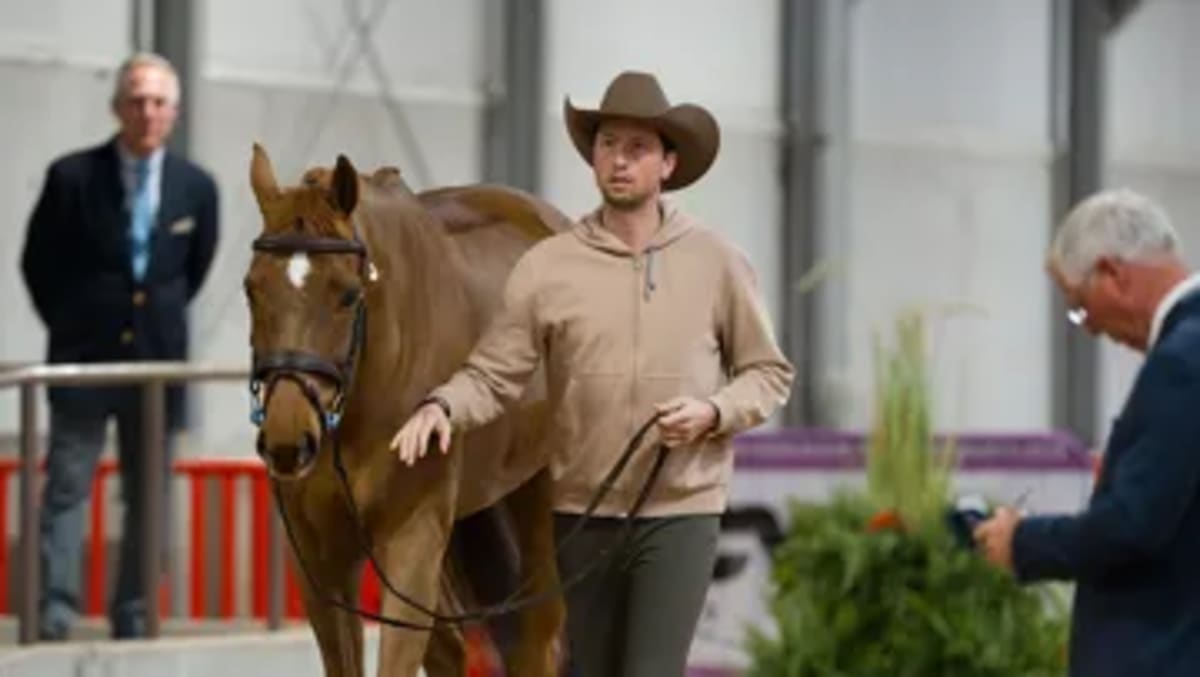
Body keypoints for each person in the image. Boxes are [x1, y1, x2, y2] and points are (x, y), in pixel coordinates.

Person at [390, 70, 793, 676]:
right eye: (608, 145)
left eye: (638, 149)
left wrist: (714, 412)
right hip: (580, 511)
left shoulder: (717, 262)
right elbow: (495, 372)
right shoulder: (548, 266)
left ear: (667, 164)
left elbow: (767, 373)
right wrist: (442, 406)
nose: (620, 161)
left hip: (680, 512)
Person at [19, 52, 220, 640]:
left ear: (174, 113)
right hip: (81, 359)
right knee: (67, 488)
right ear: (116, 107)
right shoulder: (71, 177)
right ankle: (54, 611)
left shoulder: (197, 187)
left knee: (149, 494)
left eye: (158, 101)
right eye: (136, 99)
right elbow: (38, 264)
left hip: (157, 365)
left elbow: (193, 268)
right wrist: (75, 321)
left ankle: (133, 611)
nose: (146, 111)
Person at [974, 188, 1200, 676]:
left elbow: (1132, 527)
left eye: (1079, 306)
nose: (1091, 328)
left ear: (1113, 274)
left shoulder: (1183, 360)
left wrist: (1023, 542)